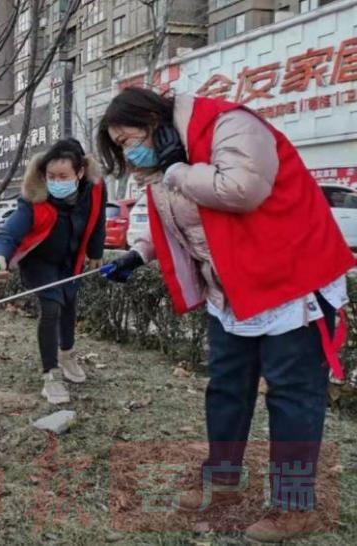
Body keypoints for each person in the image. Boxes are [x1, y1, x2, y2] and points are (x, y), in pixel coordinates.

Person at [97, 87, 354, 542]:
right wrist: (138, 254)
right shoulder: (167, 162)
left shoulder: (229, 126)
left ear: (154, 118)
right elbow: (185, 225)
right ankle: (222, 477)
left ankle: (295, 506)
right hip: (233, 290)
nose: (128, 150)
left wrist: (177, 170)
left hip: (289, 280)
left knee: (292, 394)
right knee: (226, 388)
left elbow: (242, 189)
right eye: (118, 146)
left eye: (126, 138)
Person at [0, 138, 106, 405]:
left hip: (71, 260)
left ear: (80, 172)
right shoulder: (35, 197)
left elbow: (98, 219)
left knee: (70, 303)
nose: (56, 181)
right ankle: (50, 373)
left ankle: (67, 354)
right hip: (41, 262)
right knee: (51, 308)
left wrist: (95, 252)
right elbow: (9, 232)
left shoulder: (96, 189)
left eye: (63, 176)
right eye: (51, 176)